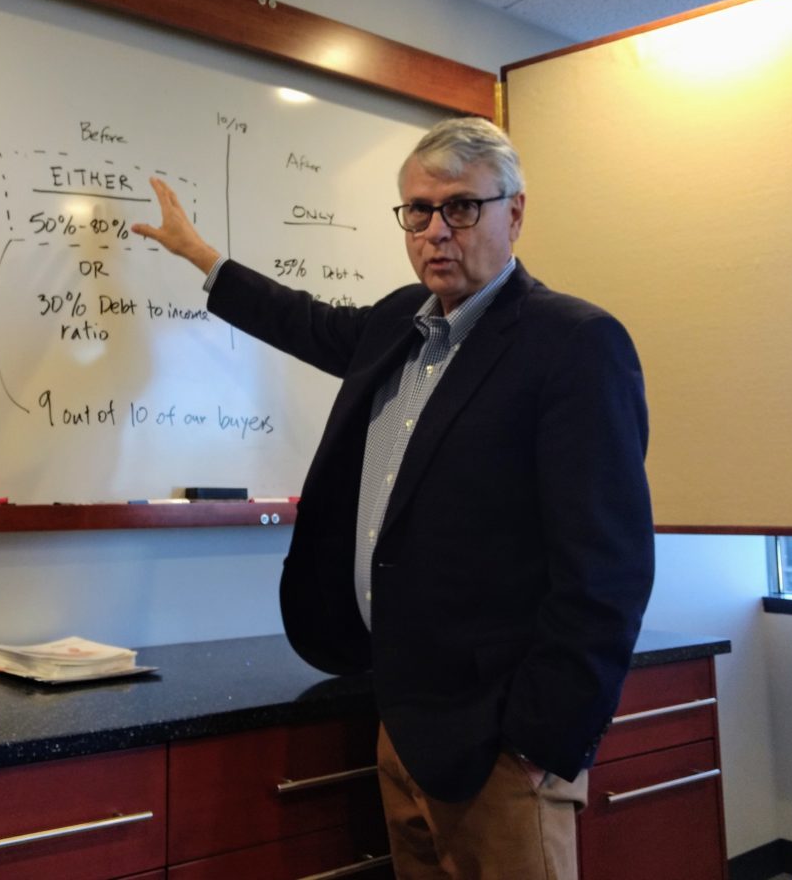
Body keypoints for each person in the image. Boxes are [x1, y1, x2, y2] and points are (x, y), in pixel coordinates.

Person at [133, 117, 654, 879]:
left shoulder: (572, 343)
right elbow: (305, 321)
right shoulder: (397, 324)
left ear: (514, 213)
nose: (436, 231)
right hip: (403, 716)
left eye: (462, 207)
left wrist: (542, 739)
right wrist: (202, 257)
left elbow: (608, 569)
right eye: (418, 211)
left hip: (502, 740)